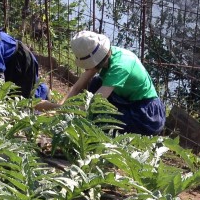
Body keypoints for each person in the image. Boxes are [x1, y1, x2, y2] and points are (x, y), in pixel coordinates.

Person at [35, 30, 166, 137]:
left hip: (146, 114)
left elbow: (92, 106)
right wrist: (60, 107)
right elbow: (77, 87)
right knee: (96, 83)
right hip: (127, 100)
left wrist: (52, 108)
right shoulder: (105, 55)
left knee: (98, 117)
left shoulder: (120, 67)